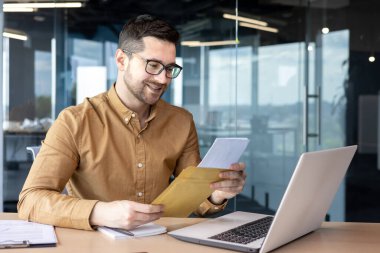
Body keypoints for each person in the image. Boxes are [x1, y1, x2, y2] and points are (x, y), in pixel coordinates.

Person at [18, 14, 246, 231]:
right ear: (121, 60)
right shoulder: (75, 121)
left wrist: (216, 193)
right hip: (95, 244)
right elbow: (31, 200)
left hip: (160, 241)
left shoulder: (182, 121)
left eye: (169, 68)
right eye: (153, 65)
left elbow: (193, 195)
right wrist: (101, 212)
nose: (162, 78)